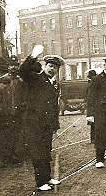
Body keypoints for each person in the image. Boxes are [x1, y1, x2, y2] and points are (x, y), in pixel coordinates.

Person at [18, 45, 62, 192]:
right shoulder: (35, 79)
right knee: (37, 153)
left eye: (55, 68)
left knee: (46, 151)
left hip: (46, 126)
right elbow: (23, 71)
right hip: (34, 124)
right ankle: (40, 182)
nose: (52, 69)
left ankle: (47, 177)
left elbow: (53, 107)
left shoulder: (53, 84)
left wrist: (55, 125)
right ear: (45, 66)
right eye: (50, 66)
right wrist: (32, 56)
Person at [0, 56, 27, 165]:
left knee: (18, 135)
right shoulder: (1, 80)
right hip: (5, 112)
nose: (13, 67)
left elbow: (25, 96)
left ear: (17, 67)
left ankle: (16, 157)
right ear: (8, 67)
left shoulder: (21, 81)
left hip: (18, 112)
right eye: (11, 65)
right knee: (6, 135)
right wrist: (0, 108)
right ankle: (6, 157)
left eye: (15, 65)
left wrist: (23, 105)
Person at [85, 69, 97, 144]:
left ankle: (93, 138)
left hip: (92, 106)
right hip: (93, 106)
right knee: (95, 123)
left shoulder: (90, 84)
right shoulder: (91, 84)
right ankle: (94, 138)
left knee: (94, 124)